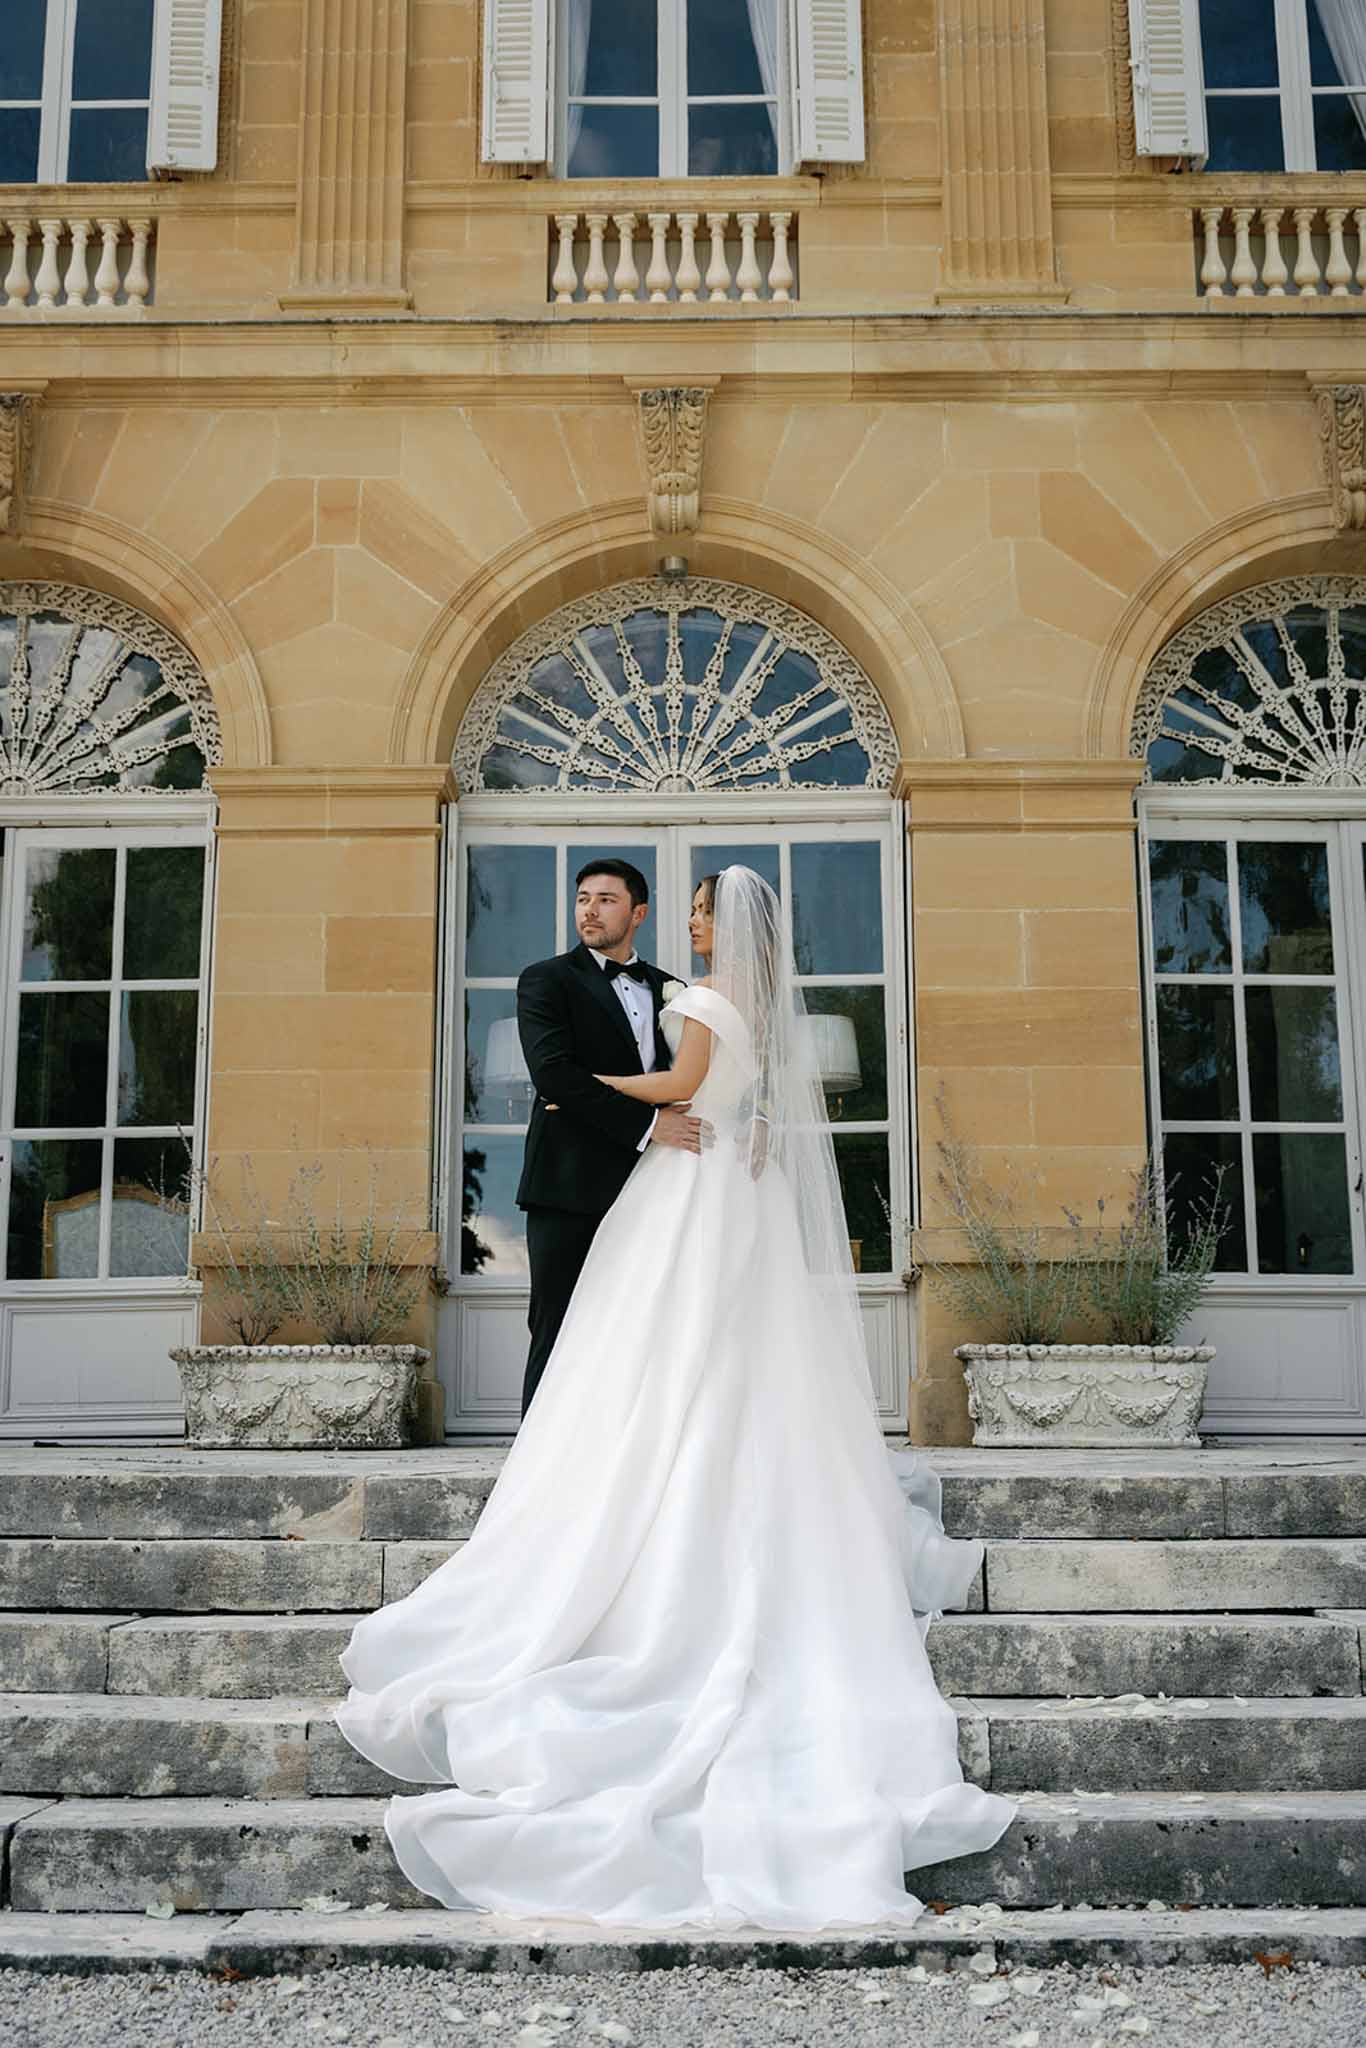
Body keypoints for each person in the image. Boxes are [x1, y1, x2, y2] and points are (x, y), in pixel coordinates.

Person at [334, 866, 1016, 1931]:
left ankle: (626, 1482)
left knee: (654, 1339)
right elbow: (701, 1092)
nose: (611, 915)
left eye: (683, 908)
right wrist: (663, 1114)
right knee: (688, 1340)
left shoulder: (693, 996)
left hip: (681, 1181)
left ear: (677, 917)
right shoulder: (682, 996)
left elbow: (674, 1081)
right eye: (589, 901)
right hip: (695, 1180)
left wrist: (630, 1101)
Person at [513, 858, 700, 1418]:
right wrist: (649, 1125)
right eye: (582, 899)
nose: (589, 910)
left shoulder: (675, 990)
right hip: (566, 1185)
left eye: (606, 899)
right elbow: (555, 1076)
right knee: (558, 1324)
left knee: (642, 1328)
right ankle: (536, 1470)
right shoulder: (546, 979)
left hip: (653, 1187)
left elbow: (692, 1077)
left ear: (637, 912)